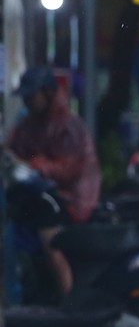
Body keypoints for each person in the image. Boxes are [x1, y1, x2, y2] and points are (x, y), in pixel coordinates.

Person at [4, 66, 102, 302]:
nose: (27, 100)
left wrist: (38, 165)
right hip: (38, 197)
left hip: (69, 200)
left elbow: (70, 170)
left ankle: (68, 298)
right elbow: (11, 149)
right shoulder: (28, 124)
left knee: (51, 242)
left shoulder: (69, 126)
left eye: (31, 95)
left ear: (47, 93)